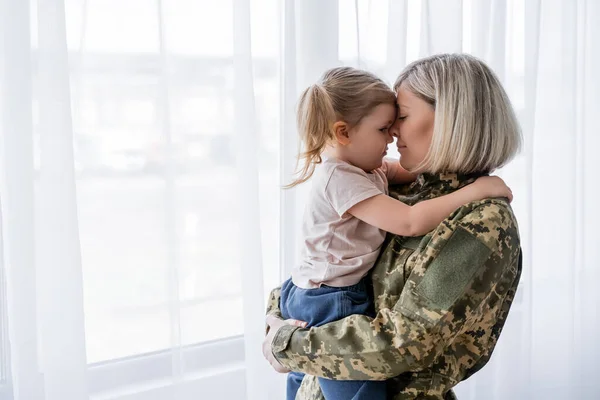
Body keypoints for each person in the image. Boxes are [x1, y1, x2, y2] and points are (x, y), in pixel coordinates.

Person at [263, 54, 523, 400]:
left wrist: (285, 342)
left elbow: (404, 342)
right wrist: (277, 315)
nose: (393, 131)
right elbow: (323, 260)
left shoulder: (482, 221)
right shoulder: (395, 186)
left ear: (450, 120)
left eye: (400, 117)